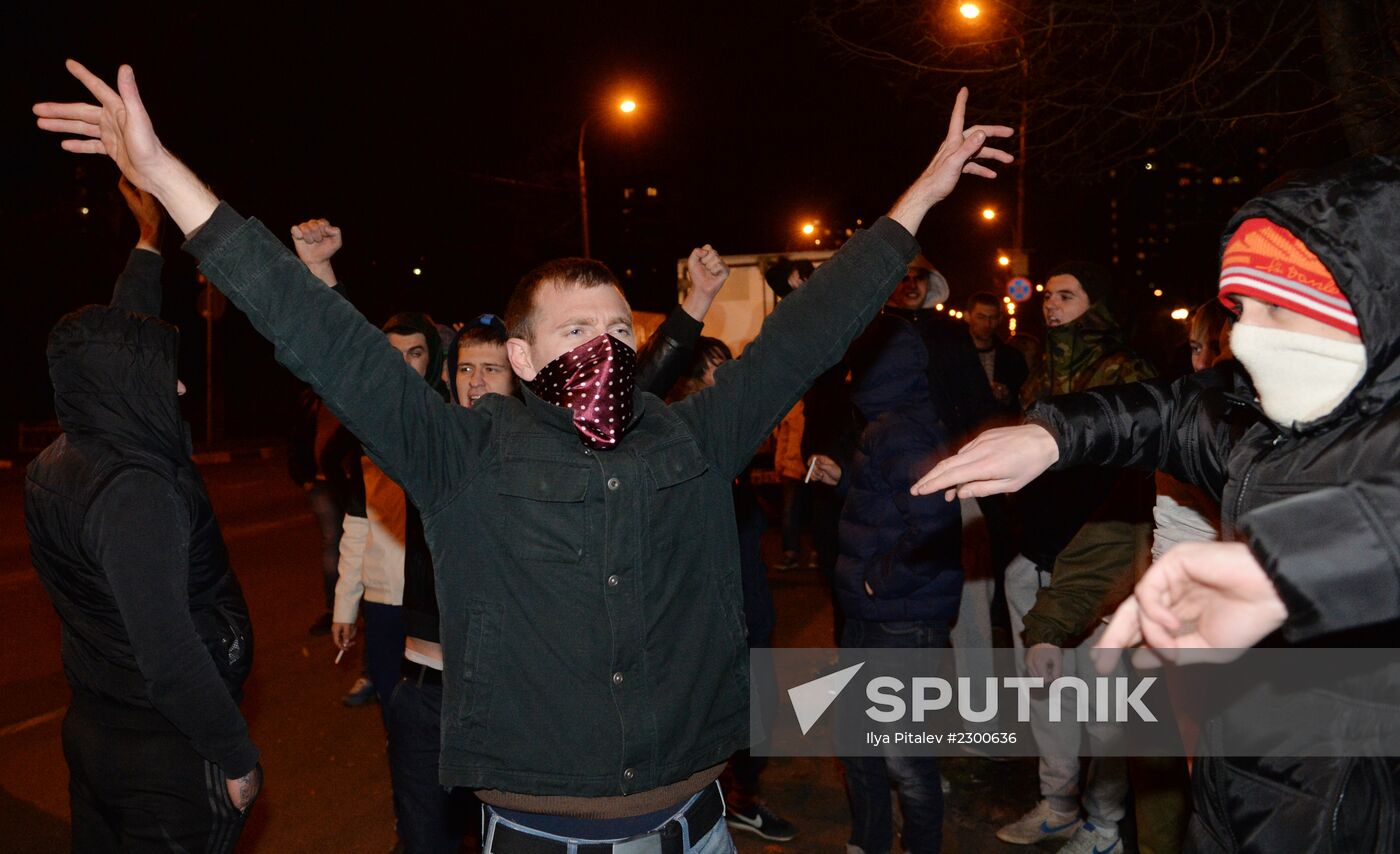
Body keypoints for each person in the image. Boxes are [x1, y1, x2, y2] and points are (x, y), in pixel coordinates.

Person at [36, 64, 1011, 852]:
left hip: (697, 824)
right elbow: (313, 330)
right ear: (523, 355)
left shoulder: (696, 435)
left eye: (615, 329)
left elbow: (811, 331)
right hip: (542, 834)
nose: (604, 346)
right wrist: (165, 175)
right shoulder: (459, 452)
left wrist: (919, 196)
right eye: (575, 328)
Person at [913, 155, 1400, 852]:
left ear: (1364, 308)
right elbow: (1172, 413)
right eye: (1239, 310)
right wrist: (1051, 435)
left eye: (1276, 309)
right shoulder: (1256, 421)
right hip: (1240, 795)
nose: (1249, 336)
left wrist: (1293, 567)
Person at [25, 177, 261, 852]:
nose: (179, 386)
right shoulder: (136, 494)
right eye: (164, 378)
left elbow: (119, 337)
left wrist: (150, 240)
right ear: (126, 392)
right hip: (166, 754)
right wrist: (236, 757)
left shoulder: (64, 455)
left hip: (98, 728)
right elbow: (168, 653)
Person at [996, 261, 1156, 854]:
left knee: (1107, 709)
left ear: (1098, 302)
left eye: (1067, 294)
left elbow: (1129, 482)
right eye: (1047, 295)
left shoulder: (1126, 370)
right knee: (1046, 694)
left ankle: (1104, 822)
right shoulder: (1041, 371)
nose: (1051, 304)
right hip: (1036, 561)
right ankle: (1058, 803)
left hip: (1098, 573)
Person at [813, 315, 963, 854]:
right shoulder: (889, 423)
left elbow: (936, 520)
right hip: (871, 615)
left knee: (904, 755)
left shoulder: (899, 427)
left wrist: (881, 579)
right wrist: (846, 480)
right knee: (856, 743)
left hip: (901, 618)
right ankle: (868, 842)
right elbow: (893, 501)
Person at [965, 291, 1028, 411]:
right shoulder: (953, 356)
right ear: (968, 316)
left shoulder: (1012, 358)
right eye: (981, 317)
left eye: (992, 318)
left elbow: (1023, 399)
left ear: (999, 319)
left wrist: (1007, 397)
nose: (987, 324)